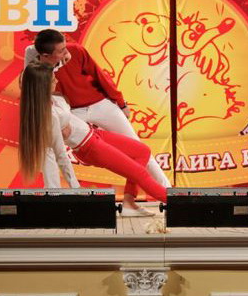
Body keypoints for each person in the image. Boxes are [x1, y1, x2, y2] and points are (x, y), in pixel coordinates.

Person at [24, 29, 171, 191]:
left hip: (100, 104)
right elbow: (30, 59)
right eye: (61, 50)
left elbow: (99, 74)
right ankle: (53, 190)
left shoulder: (75, 51)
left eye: (65, 47)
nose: (66, 52)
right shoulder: (36, 67)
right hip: (73, 112)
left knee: (138, 147)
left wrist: (121, 102)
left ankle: (167, 189)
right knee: (50, 146)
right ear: (45, 55)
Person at [19, 62, 166, 216]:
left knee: (142, 151)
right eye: (52, 79)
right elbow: (60, 155)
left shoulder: (55, 98)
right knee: (140, 173)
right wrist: (75, 188)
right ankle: (176, 202)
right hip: (89, 147)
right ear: (42, 86)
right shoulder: (48, 116)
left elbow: (32, 77)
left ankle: (129, 202)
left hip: (94, 134)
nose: (57, 80)